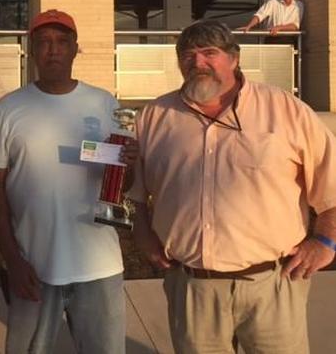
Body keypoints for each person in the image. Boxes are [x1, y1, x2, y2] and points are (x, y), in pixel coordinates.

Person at [131, 20, 336, 354]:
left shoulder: (285, 110)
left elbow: (332, 182)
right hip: (192, 289)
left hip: (273, 286)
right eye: (187, 55)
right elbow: (137, 192)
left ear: (234, 58)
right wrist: (143, 235)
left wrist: (326, 241)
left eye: (209, 53)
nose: (197, 63)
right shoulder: (155, 116)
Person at [0, 9, 137, 354]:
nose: (53, 49)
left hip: (98, 264)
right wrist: (12, 259)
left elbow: (121, 185)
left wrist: (128, 164)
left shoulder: (104, 104)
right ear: (32, 50)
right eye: (44, 42)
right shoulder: (8, 110)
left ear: (75, 48)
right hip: (33, 265)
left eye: (61, 41)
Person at [238, 0, 303, 35]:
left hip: (289, 40)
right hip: (272, 38)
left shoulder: (298, 5)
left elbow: (295, 26)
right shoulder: (273, 2)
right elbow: (259, 15)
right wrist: (249, 26)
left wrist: (278, 28)